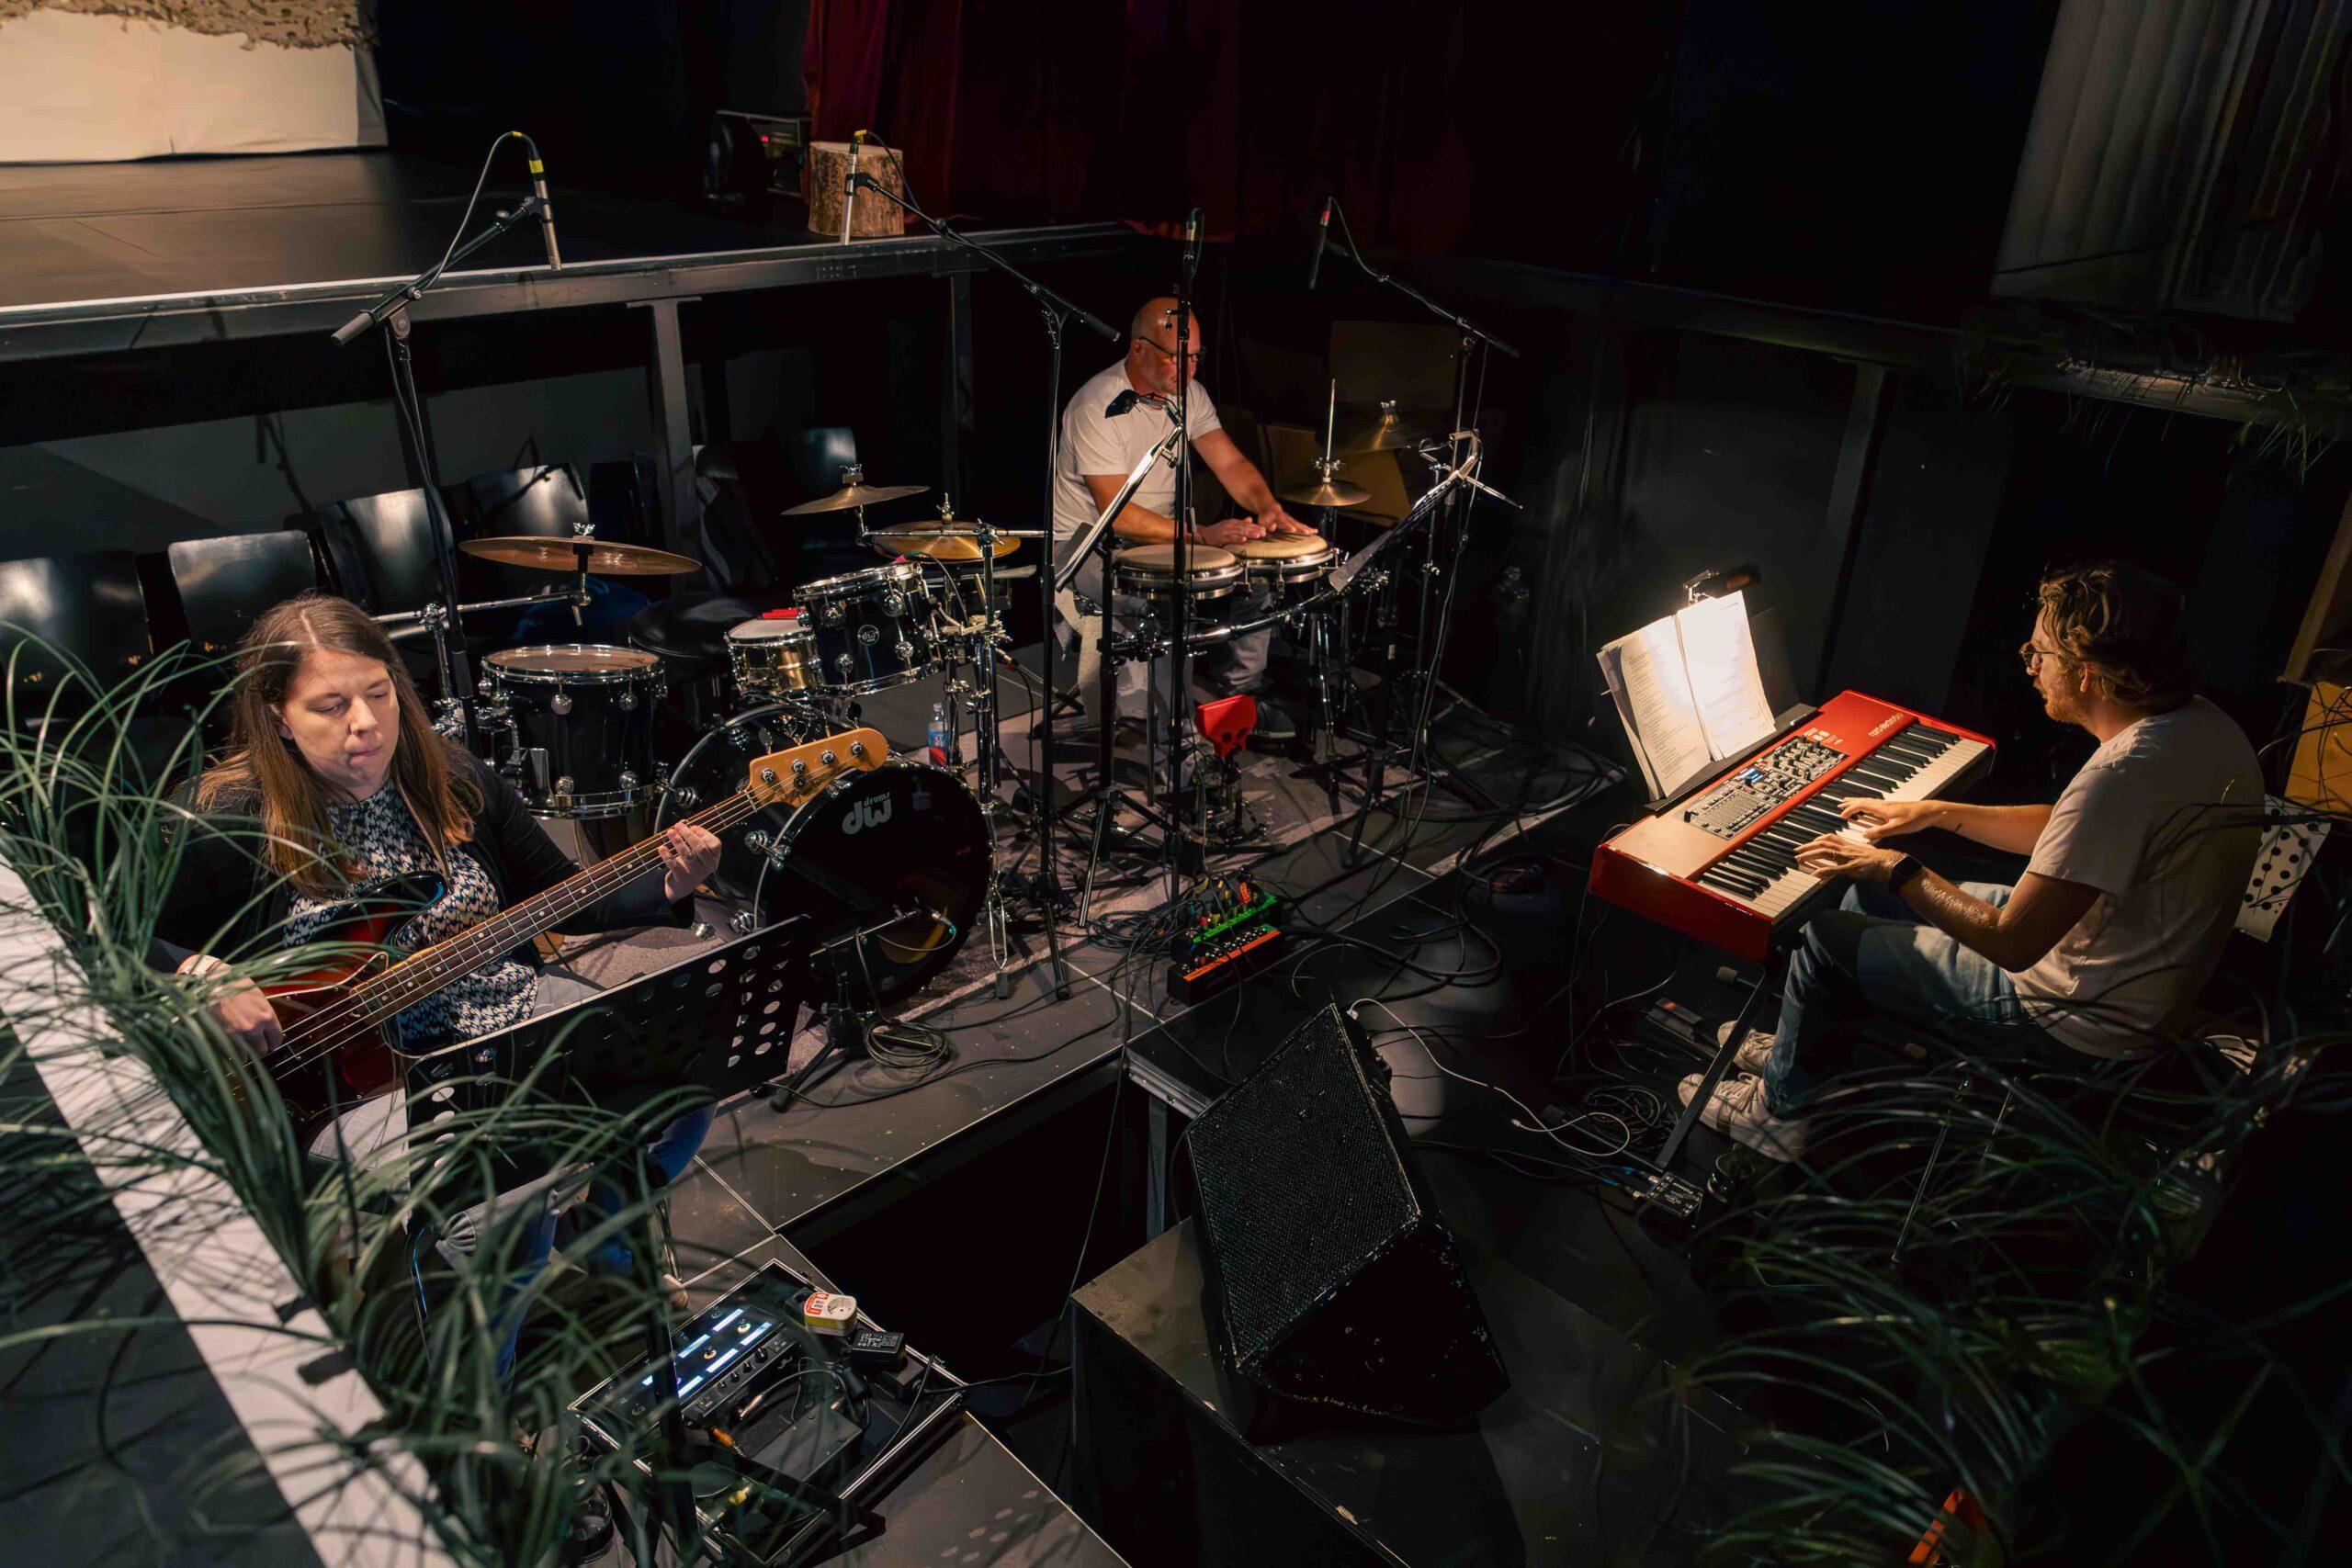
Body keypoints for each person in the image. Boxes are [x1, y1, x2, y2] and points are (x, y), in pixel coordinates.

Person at [152, 592, 723, 1353]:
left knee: (685, 1081)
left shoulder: (453, 777)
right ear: (279, 716)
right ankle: (483, 1395)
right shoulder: (222, 817)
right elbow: (111, 933)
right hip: (344, 1079)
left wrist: (669, 885)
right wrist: (198, 969)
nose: (365, 723)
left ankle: (603, 1241)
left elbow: (563, 894)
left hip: (500, 1007)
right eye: (330, 706)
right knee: (508, 1204)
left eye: (379, 693)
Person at [1680, 561, 2265, 1162]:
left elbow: (2013, 943)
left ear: (2088, 674)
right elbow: (2076, 832)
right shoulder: (2201, 727)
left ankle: (1779, 1118)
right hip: (2119, 984)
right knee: (1865, 901)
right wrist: (1935, 812)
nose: (2029, 664)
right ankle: (1801, 1057)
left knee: (1824, 939)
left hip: (2068, 1022)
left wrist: (1892, 865)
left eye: (2040, 653)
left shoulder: (2121, 776)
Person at [1049, 294, 1316, 745]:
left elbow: (1229, 463)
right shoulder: (1098, 405)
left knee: (1259, 575)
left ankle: (1240, 698)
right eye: (1176, 357)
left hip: (1161, 539)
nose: (1189, 369)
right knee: (1160, 603)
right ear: (1138, 348)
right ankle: (1165, 726)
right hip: (1086, 546)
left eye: (1195, 357)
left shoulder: (1188, 394)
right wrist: (1202, 535)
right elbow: (1117, 515)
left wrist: (1267, 506)